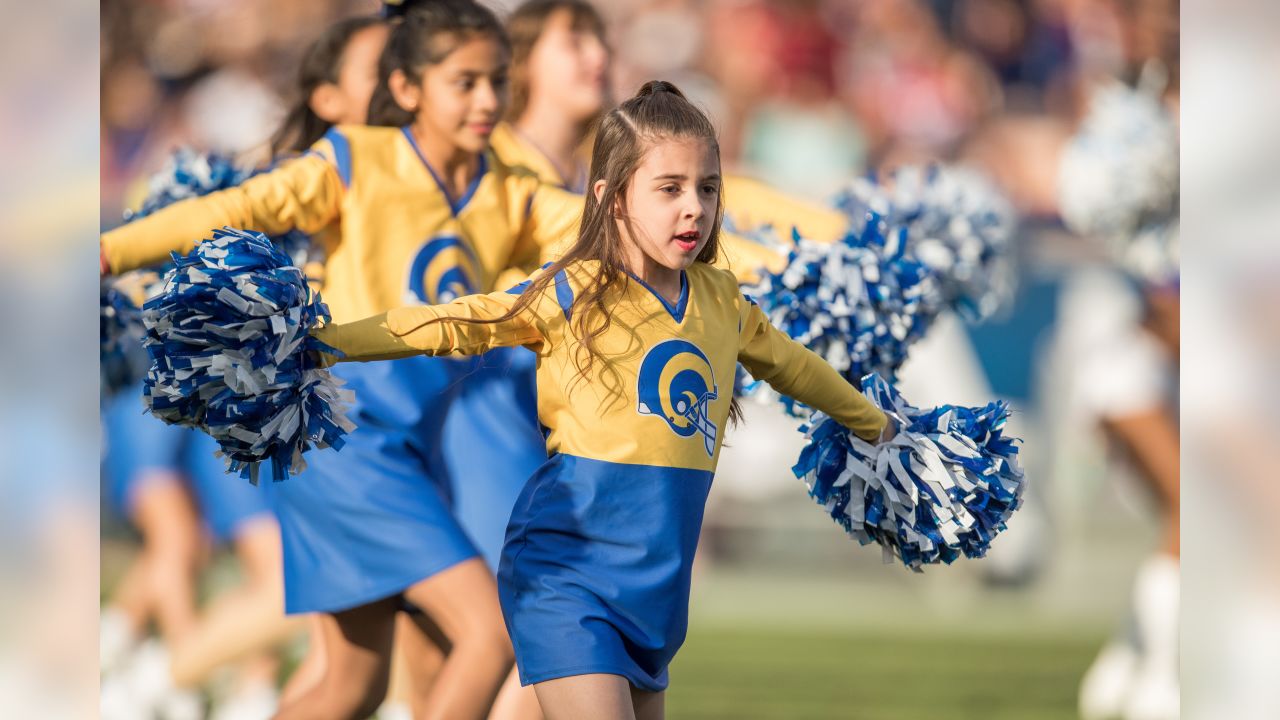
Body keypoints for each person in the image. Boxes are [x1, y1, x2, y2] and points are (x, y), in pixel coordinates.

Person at [312, 81, 895, 720]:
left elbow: (797, 370)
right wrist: (324, 342)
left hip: (658, 593)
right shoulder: (572, 290)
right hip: (567, 574)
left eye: (707, 188)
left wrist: (878, 426)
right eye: (668, 189)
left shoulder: (722, 301)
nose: (693, 209)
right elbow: (454, 320)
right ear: (610, 198)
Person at [99, 2, 584, 716]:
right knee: (487, 636)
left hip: (408, 449)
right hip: (345, 440)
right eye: (465, 81)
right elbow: (233, 209)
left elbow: (614, 232)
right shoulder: (355, 162)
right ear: (408, 86)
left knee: (350, 686)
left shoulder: (504, 190)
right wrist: (109, 250)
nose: (487, 100)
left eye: (497, 81)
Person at [100, 16, 393, 719]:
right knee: (276, 581)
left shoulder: (387, 178)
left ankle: (210, 683)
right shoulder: (284, 184)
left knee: (325, 608)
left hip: (323, 420)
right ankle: (139, 683)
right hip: (255, 417)